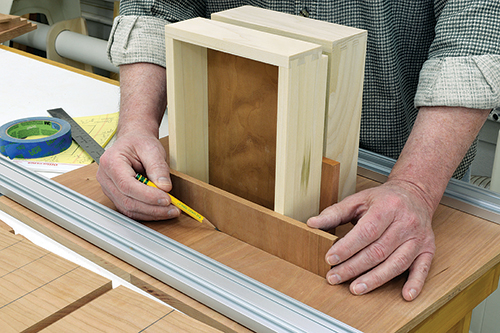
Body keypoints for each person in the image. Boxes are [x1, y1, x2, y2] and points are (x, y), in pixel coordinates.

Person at [96, 1, 500, 301]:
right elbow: (157, 6)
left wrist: (416, 185)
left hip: (405, 167)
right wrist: (135, 125)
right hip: (231, 155)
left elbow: (473, 35)